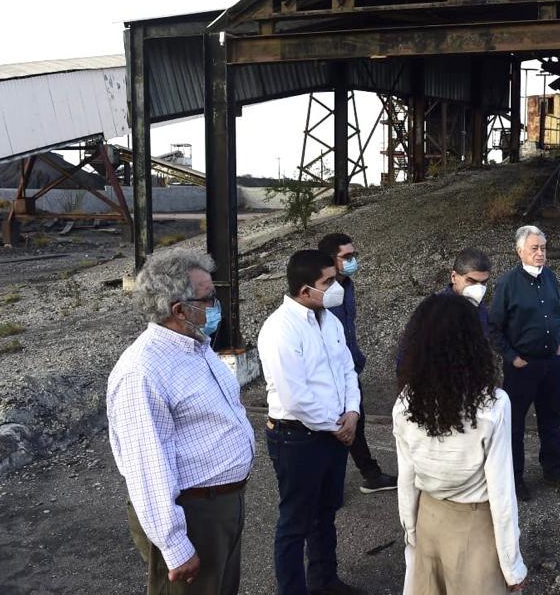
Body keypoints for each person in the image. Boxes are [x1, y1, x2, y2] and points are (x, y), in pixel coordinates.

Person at [107, 249, 254, 594]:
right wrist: (175, 546)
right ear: (180, 310)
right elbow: (146, 466)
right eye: (209, 298)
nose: (216, 304)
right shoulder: (142, 370)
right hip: (193, 514)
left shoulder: (196, 345)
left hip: (222, 504)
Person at [394, 294, 527, 594]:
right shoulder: (493, 406)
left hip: (428, 517)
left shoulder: (405, 404)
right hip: (475, 526)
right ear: (474, 343)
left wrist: (412, 535)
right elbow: (502, 493)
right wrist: (512, 565)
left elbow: (406, 479)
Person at [258, 249, 364, 595]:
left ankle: (325, 581)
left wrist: (352, 412)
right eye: (328, 282)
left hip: (333, 432)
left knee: (325, 513)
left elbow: (347, 369)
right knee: (295, 522)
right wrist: (337, 426)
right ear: (305, 291)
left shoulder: (328, 319)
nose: (336, 287)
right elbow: (295, 397)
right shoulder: (279, 330)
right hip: (297, 438)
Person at [489, 225, 560, 501]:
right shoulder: (507, 284)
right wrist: (512, 357)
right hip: (522, 367)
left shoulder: (550, 277)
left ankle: (553, 469)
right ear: (520, 252)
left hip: (551, 363)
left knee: (551, 420)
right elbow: (493, 327)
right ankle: (514, 478)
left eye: (543, 248)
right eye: (534, 249)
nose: (540, 253)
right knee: (514, 424)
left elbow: (557, 313)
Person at [318, 233, 397, 495]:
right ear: (331, 259)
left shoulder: (347, 285)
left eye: (353, 255)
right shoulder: (322, 293)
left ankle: (369, 475)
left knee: (355, 422)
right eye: (346, 257)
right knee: (334, 428)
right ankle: (333, 486)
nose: (352, 261)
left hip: (349, 368)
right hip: (330, 375)